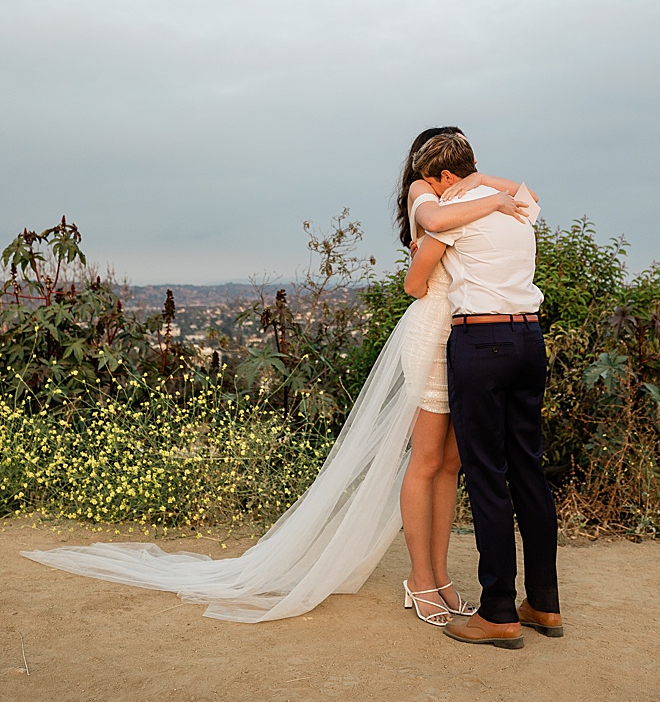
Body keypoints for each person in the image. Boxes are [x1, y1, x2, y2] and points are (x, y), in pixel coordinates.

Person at [22, 125, 530, 625]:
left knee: (450, 462)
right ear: (431, 172)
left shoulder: (464, 192)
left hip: (467, 341)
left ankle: (441, 578)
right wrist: (484, 204)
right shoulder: (427, 194)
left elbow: (515, 193)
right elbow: (415, 282)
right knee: (424, 461)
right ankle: (422, 579)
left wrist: (484, 190)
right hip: (435, 333)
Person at [403, 130, 561, 649]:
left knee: (487, 473)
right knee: (528, 470)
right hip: (530, 336)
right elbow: (528, 192)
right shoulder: (517, 210)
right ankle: (543, 603)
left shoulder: (455, 216)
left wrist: (462, 199)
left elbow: (416, 282)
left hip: (481, 339)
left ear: (444, 177)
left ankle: (497, 611)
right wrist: (488, 186)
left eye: (432, 180)